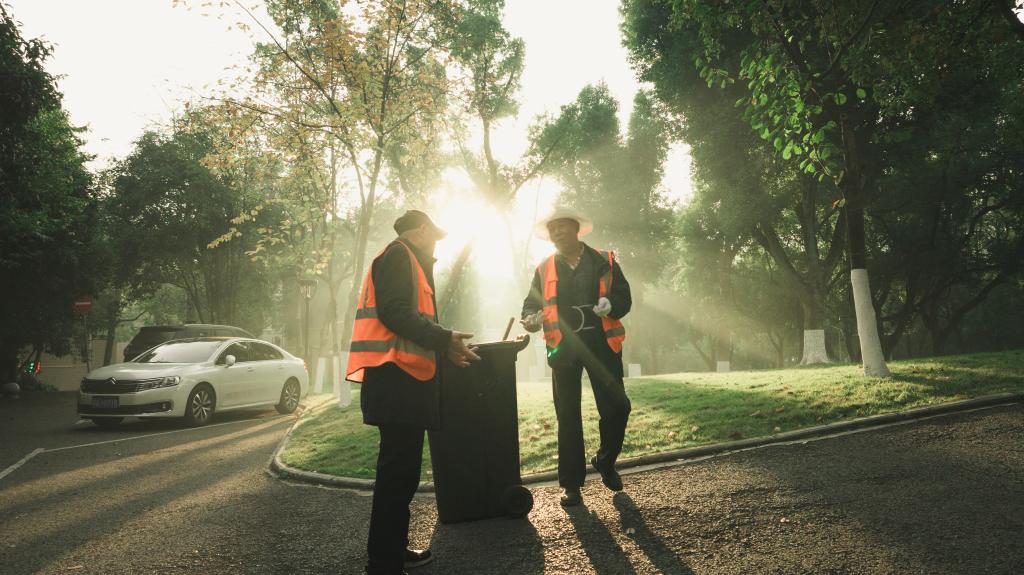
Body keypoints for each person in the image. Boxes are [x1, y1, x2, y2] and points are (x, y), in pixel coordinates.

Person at [347, 210, 480, 575]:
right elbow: (395, 313)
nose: (436, 245)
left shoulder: (405, 259)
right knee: (397, 475)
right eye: (435, 237)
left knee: (401, 475)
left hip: (402, 382)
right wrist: (443, 338)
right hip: (397, 384)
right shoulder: (398, 256)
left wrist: (444, 347)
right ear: (421, 231)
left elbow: (408, 321)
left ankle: (391, 550)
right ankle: (384, 563)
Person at [520, 207, 632, 507]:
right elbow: (530, 305)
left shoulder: (605, 260)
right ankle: (571, 485)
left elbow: (625, 297)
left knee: (618, 406)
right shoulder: (544, 268)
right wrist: (531, 319)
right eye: (553, 229)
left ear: (576, 229)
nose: (558, 232)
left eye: (563, 227)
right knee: (568, 416)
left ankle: (605, 461)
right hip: (563, 346)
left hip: (601, 344)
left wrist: (611, 304)